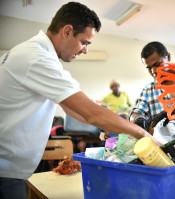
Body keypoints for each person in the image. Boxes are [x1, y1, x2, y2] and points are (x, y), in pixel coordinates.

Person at [0, 2, 156, 199]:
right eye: (84, 42)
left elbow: (71, 108)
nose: (85, 51)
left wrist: (106, 126)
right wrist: (143, 134)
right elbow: (92, 113)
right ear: (67, 31)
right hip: (5, 173)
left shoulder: (35, 53)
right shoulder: (37, 58)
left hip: (9, 170)